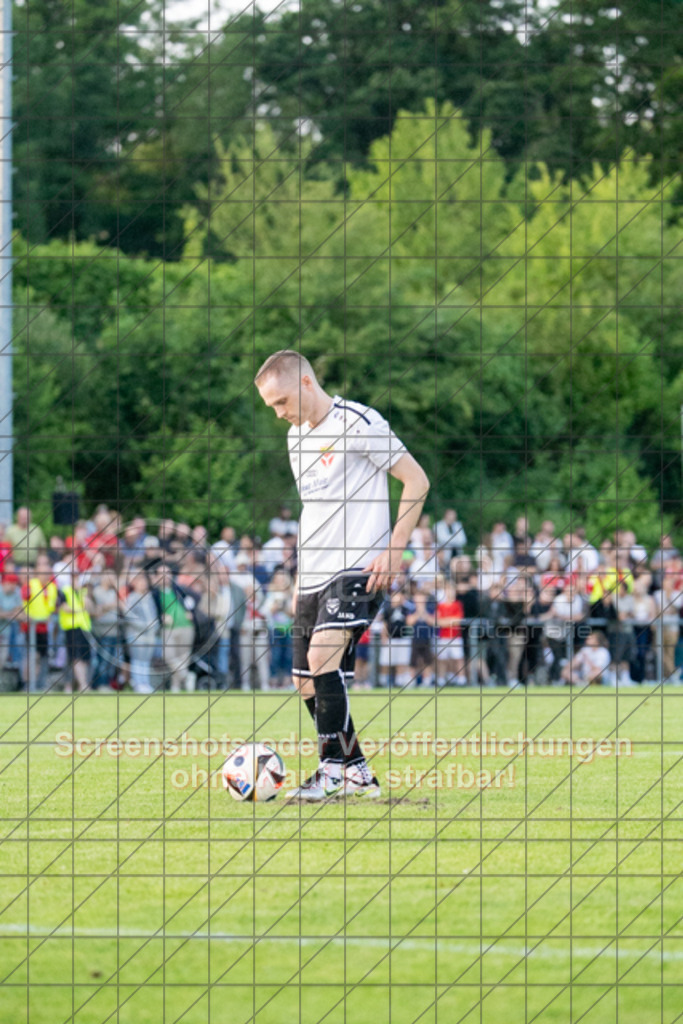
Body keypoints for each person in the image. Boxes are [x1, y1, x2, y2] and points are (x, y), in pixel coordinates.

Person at [255, 349, 429, 800]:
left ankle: (330, 771)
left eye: (281, 402)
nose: (279, 414)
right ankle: (356, 771)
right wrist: (298, 581)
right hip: (313, 572)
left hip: (360, 564)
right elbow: (316, 512)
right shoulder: (296, 438)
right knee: (304, 680)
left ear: (306, 383)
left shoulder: (358, 421)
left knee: (322, 657)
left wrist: (394, 550)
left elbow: (416, 480)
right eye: (272, 406)